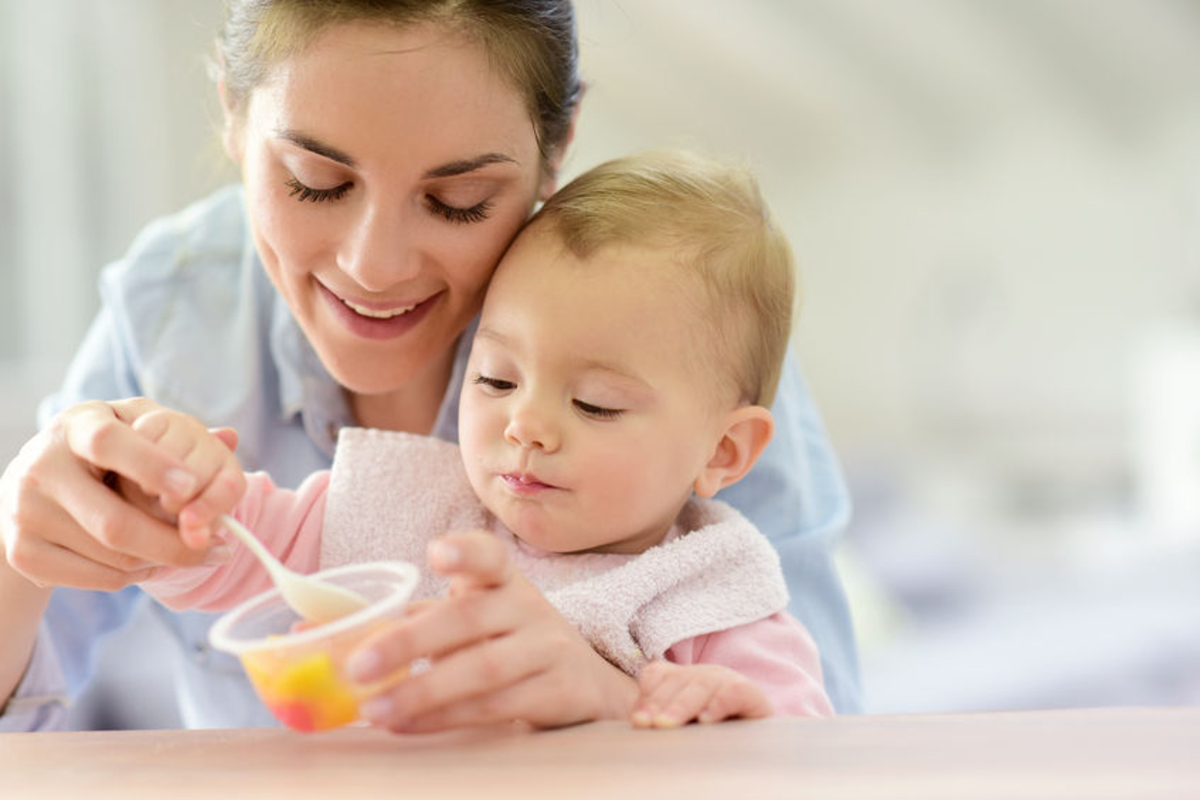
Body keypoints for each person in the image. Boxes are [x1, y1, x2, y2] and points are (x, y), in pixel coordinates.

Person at [0, 0, 857, 733]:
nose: (375, 267)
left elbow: (812, 742)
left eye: (459, 201)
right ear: (231, 112)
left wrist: (608, 701)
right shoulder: (174, 307)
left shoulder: (674, 328)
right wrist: (33, 546)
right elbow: (227, 551)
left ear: (556, 147)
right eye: (314, 181)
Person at [130, 150, 835, 728]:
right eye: (496, 380)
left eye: (594, 403)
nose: (524, 425)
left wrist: (647, 712)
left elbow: (805, 762)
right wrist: (177, 496)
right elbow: (235, 553)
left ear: (723, 452)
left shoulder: (713, 601)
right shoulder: (409, 508)